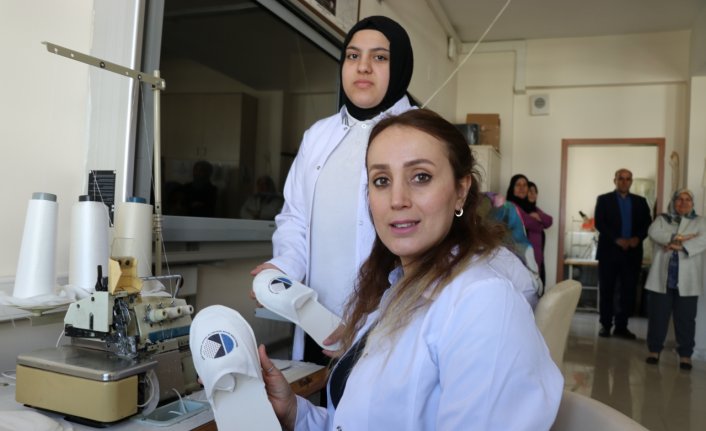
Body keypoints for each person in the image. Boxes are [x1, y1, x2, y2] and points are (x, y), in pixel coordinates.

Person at [258, 109, 563, 431]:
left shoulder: (485, 304)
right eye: (381, 181)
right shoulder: (396, 292)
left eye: (420, 177)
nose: (397, 199)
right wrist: (294, 413)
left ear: (461, 191)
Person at [250, 16, 416, 366]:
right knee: (321, 411)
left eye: (380, 57)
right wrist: (284, 268)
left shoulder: (421, 136)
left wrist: (371, 318)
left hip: (390, 322)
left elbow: (426, 239)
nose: (364, 67)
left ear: (400, 65)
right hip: (317, 321)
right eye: (353, 56)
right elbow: (296, 218)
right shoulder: (318, 136)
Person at [644, 189, 706, 370]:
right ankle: (654, 351)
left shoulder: (700, 222)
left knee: (686, 319)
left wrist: (678, 246)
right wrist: (681, 237)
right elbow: (654, 232)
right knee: (658, 317)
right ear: (673, 201)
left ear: (692, 203)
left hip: (688, 280)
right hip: (662, 278)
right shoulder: (662, 219)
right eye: (680, 199)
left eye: (688, 200)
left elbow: (703, 240)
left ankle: (685, 355)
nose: (683, 203)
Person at [594, 168, 651, 339]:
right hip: (609, 252)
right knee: (607, 290)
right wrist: (616, 239)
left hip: (632, 253)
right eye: (621, 178)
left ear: (631, 181)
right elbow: (600, 223)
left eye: (628, 179)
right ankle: (605, 325)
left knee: (628, 291)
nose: (624, 182)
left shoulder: (641, 201)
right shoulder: (604, 200)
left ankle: (621, 326)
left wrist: (637, 238)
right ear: (615, 180)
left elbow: (647, 224)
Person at [505, 174, 553, 285]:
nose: (522, 188)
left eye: (525, 185)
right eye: (518, 185)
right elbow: (529, 223)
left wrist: (538, 216)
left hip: (536, 261)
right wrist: (538, 221)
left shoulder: (531, 207)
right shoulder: (510, 205)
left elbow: (549, 221)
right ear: (512, 188)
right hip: (520, 260)